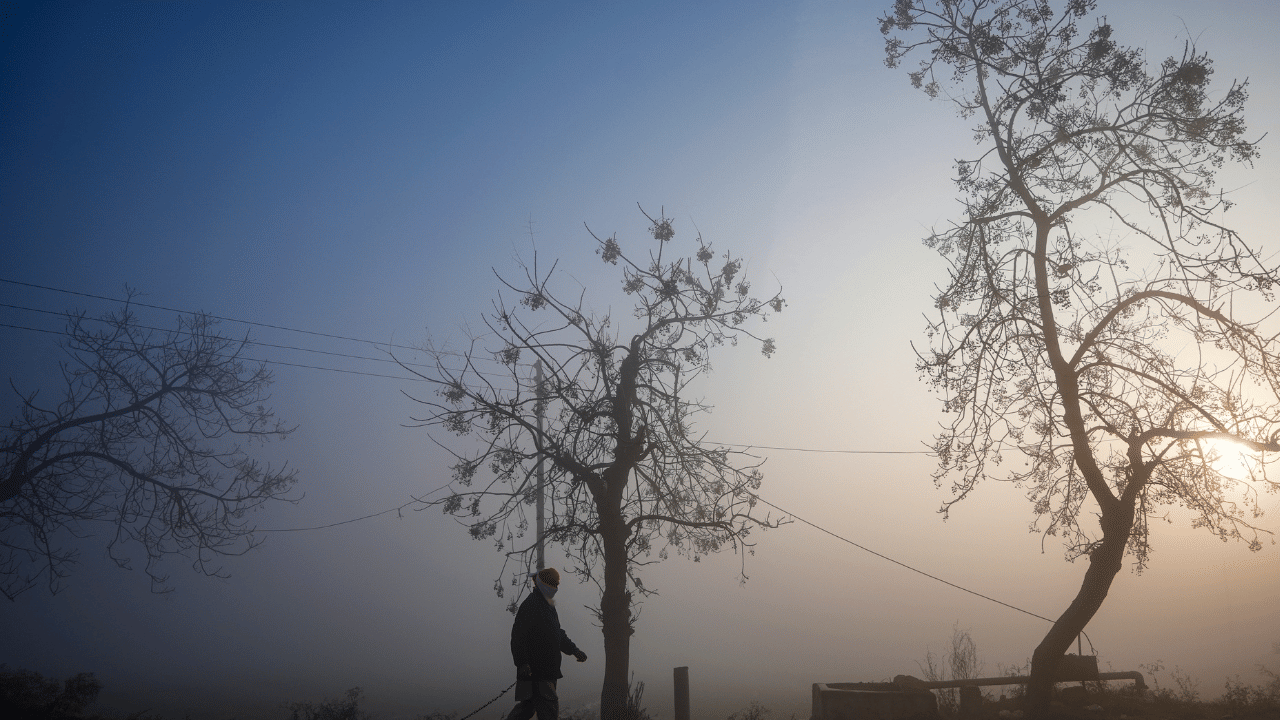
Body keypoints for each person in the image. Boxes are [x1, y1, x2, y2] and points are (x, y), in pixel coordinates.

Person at [506, 567, 587, 720]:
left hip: (546, 670)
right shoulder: (531, 605)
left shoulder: (548, 605)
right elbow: (518, 637)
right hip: (538, 671)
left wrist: (574, 650)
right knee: (548, 710)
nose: (556, 588)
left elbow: (557, 633)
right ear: (543, 583)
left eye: (557, 584)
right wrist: (522, 663)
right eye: (553, 584)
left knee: (527, 708)